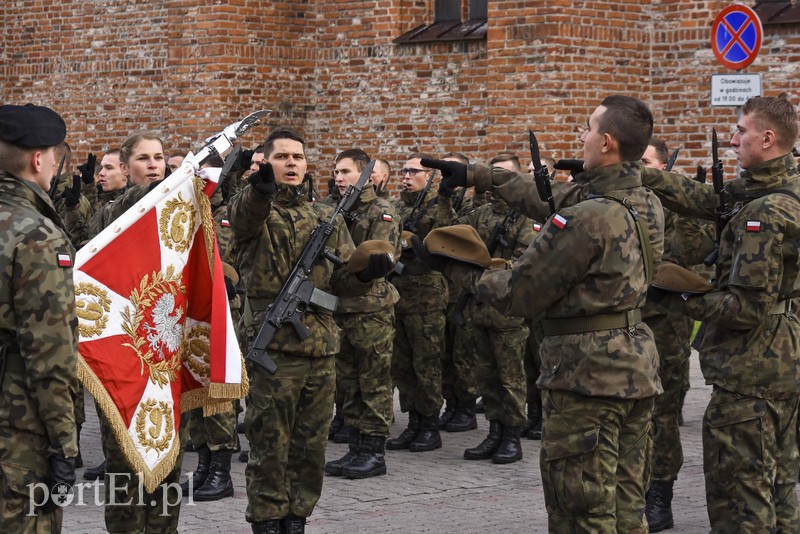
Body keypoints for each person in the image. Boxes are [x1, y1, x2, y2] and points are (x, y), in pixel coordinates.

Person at [422, 94, 664, 532]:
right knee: (627, 506)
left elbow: (519, 293)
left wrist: (460, 270)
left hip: (586, 377)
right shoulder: (644, 201)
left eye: (587, 129)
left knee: (581, 510)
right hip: (634, 369)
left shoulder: (587, 218)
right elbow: (550, 197)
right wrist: (480, 174)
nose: (581, 137)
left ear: (606, 142)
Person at [641, 94, 800, 533]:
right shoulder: (779, 188)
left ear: (767, 138)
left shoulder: (764, 213)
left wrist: (681, 298)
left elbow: (745, 308)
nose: (732, 140)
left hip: (749, 371)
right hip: (783, 363)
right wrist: (636, 173)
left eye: (741, 131)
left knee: (739, 498)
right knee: (780, 486)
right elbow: (705, 198)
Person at [229, 127, 394, 533]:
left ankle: (298, 518)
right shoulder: (256, 211)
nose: (291, 163)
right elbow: (243, 218)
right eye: (282, 156)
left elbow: (339, 283)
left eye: (297, 157)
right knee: (270, 447)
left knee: (310, 449)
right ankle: (267, 522)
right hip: (276, 354)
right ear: (267, 162)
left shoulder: (325, 216)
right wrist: (258, 190)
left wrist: (364, 276)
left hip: (320, 347)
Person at [0, 103, 79, 533]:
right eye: (52, 154)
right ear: (37, 160)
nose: (54, 163)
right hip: (19, 424)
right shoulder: (38, 234)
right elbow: (49, 352)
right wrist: (65, 444)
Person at [436, 152, 537, 464]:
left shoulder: (526, 218)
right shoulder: (482, 214)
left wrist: (484, 267)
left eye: (505, 174)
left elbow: (525, 264)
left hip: (508, 312)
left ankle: (511, 436)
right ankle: (494, 431)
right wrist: (444, 199)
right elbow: (450, 234)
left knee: (510, 378)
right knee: (487, 377)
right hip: (478, 308)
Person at [640, 137, 714, 531]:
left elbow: (698, 253)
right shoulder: (624, 202)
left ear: (665, 168)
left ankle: (660, 494)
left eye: (649, 162)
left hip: (665, 321)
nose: (641, 168)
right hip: (625, 320)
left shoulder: (683, 211)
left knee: (662, 412)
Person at [323, 149, 401, 479]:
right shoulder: (333, 210)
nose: (338, 178)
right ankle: (356, 446)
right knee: (348, 384)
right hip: (341, 308)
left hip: (371, 310)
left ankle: (373, 451)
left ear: (365, 175)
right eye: (336, 172)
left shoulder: (381, 211)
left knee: (374, 383)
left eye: (345, 172)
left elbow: (376, 257)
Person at [387, 153, 448, 453]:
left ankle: (429, 425)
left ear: (429, 177)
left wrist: (416, 243)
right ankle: (412, 421)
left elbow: (445, 240)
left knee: (426, 364)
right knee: (403, 364)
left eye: (413, 171)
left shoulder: (438, 208)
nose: (406, 176)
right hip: (399, 296)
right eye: (404, 170)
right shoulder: (397, 207)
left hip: (426, 299)